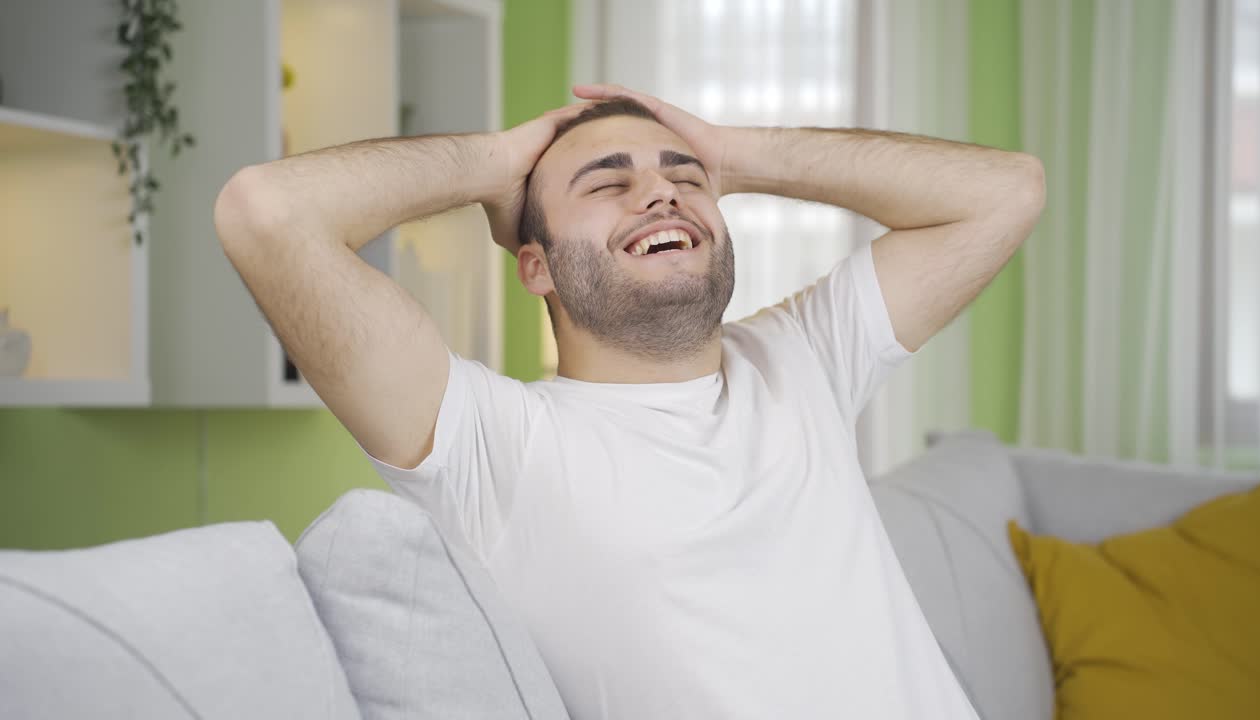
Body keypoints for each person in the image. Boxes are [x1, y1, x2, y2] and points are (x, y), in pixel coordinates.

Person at [215, 83, 1044, 719]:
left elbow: (1008, 189)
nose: (661, 194)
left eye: (685, 179)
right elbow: (266, 212)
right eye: (607, 185)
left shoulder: (802, 357)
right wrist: (496, 162)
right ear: (534, 264)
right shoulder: (494, 443)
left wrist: (734, 151)